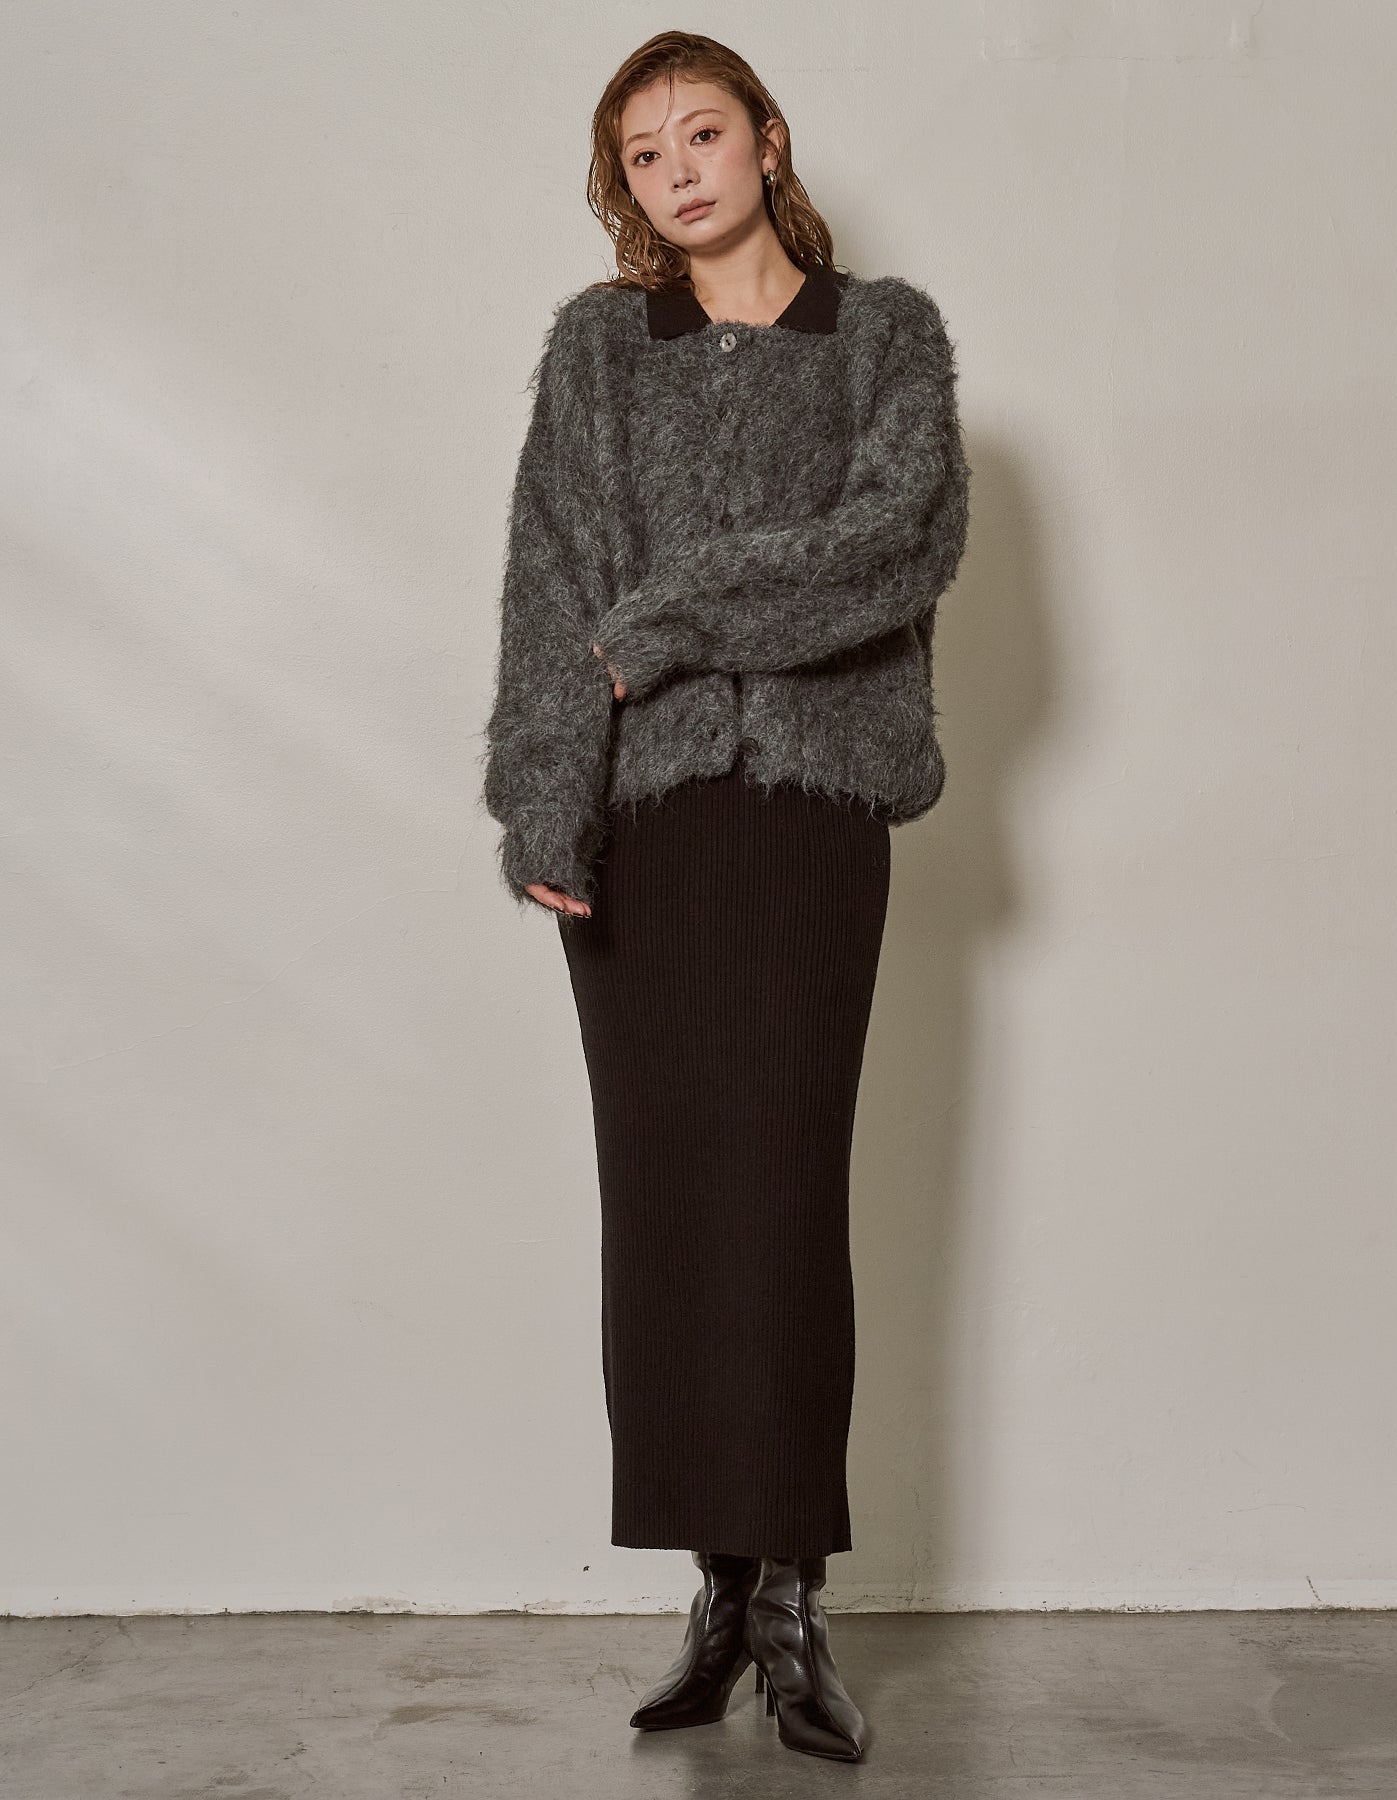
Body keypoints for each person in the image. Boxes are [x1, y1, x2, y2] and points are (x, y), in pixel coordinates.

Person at [480, 29, 971, 1764]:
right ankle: (713, 1590)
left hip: (811, 821)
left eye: (702, 133)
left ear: (766, 139)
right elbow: (550, 586)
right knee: (668, 1204)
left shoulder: (885, 339)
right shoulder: (599, 351)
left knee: (782, 1195)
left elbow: (890, 546)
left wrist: (664, 626)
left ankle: (792, 1604)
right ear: (623, 185)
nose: (678, 170)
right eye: (643, 152)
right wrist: (545, 799)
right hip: (646, 825)